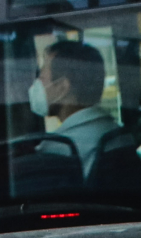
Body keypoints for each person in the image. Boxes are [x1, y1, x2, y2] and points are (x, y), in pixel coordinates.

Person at [30, 40, 117, 177]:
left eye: (42, 76)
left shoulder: (59, 149)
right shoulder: (116, 132)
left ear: (62, 87)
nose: (36, 85)